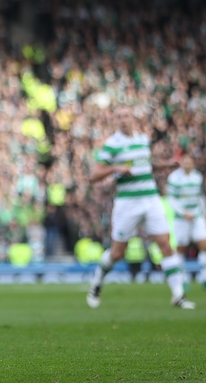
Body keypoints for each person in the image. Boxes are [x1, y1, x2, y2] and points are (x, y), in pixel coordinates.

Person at [86, 106, 194, 309]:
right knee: (117, 253)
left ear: (132, 118)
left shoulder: (143, 139)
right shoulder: (112, 144)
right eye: (119, 117)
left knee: (165, 244)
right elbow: (93, 175)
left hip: (151, 198)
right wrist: (115, 168)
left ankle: (178, 295)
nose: (123, 119)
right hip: (128, 202)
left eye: (126, 115)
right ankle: (97, 283)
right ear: (116, 120)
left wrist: (166, 165)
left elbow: (146, 166)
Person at [167, 154, 206, 289]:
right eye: (185, 162)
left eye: (189, 162)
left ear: (193, 164)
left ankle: (204, 277)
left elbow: (200, 197)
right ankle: (182, 279)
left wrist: (203, 213)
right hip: (181, 219)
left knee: (204, 245)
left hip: (196, 216)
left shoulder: (197, 177)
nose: (187, 165)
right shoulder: (174, 178)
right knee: (181, 248)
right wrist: (183, 213)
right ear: (181, 163)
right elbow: (171, 198)